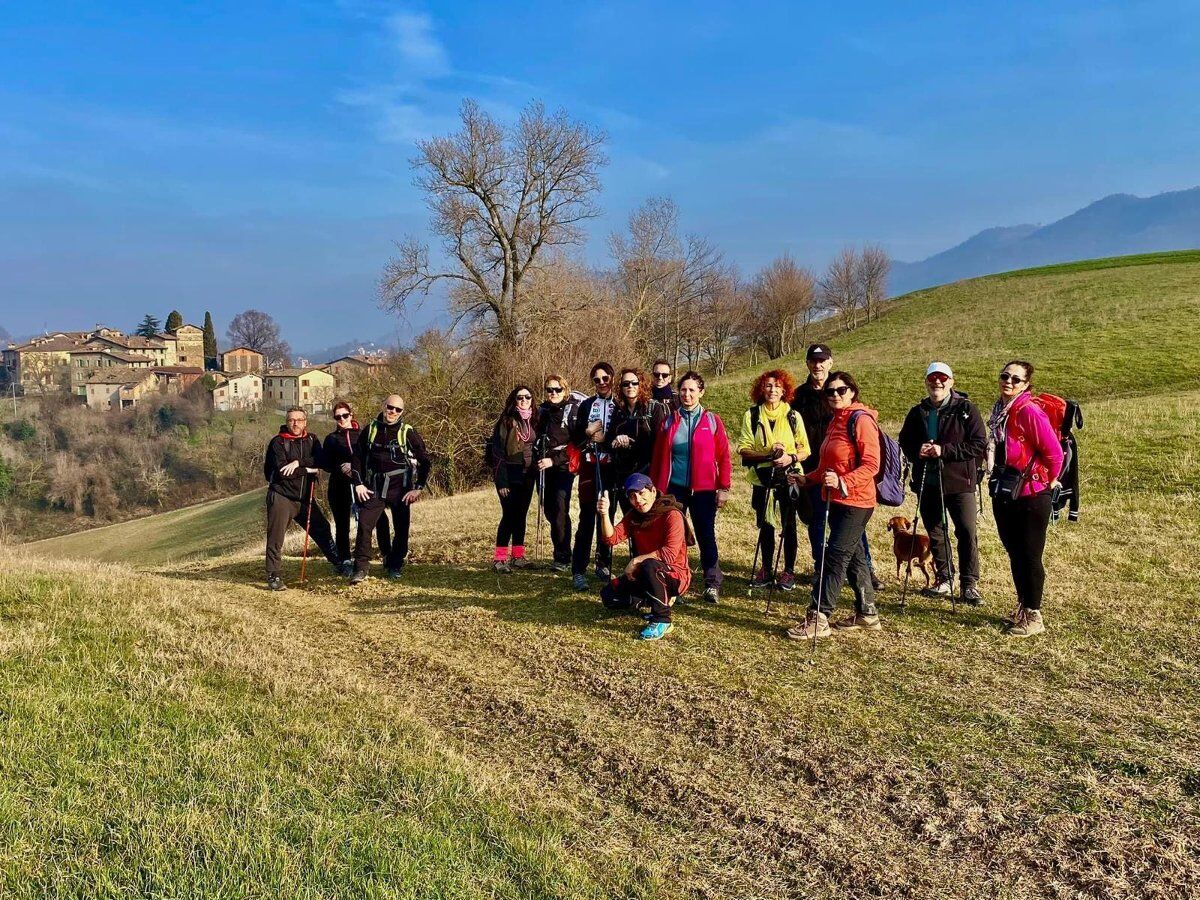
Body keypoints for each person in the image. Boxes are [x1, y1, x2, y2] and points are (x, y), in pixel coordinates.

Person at [786, 372, 882, 640]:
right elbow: (826, 466)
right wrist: (807, 479)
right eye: (830, 392)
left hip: (856, 501)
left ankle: (819, 616)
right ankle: (867, 613)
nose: (835, 395)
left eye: (841, 390)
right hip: (836, 499)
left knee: (835, 556)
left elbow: (872, 465)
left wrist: (842, 481)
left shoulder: (860, 421)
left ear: (852, 391)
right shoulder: (835, 422)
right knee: (853, 556)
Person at [791, 343, 882, 590]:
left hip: (847, 475)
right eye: (813, 361)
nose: (817, 365)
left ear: (830, 362)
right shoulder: (798, 397)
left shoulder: (843, 397)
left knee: (850, 528)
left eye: (822, 361)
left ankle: (864, 573)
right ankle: (822, 568)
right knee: (817, 522)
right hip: (814, 469)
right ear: (807, 363)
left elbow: (870, 456)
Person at [898, 363, 987, 604]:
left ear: (951, 382)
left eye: (942, 378)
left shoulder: (966, 409)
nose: (937, 382)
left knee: (967, 532)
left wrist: (943, 450)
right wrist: (919, 450)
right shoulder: (918, 412)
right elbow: (905, 441)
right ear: (926, 382)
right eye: (932, 378)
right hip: (928, 482)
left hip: (960, 483)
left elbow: (979, 443)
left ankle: (969, 584)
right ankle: (945, 579)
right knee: (936, 533)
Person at [986, 360, 1064, 637]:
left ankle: (1034, 614)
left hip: (1032, 494)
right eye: (1004, 375)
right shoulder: (1000, 411)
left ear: (1026, 385)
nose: (1008, 381)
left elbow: (1055, 453)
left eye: (1015, 379)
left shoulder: (1029, 411)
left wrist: (1049, 480)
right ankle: (1022, 605)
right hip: (1006, 490)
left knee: (1030, 555)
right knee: (1014, 552)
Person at [649, 371, 732, 603]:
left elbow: (724, 456)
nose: (687, 394)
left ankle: (712, 583)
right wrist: (657, 489)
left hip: (704, 490)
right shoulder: (669, 421)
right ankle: (674, 582)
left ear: (701, 392)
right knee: (675, 537)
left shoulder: (712, 421)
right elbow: (658, 458)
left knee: (706, 535)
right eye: (683, 390)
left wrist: (723, 487)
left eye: (692, 390)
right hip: (675, 489)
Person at [597, 474, 693, 641]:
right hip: (647, 575)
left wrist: (635, 561)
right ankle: (658, 600)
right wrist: (604, 514)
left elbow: (669, 554)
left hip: (674, 575)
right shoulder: (634, 516)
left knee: (650, 565)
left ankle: (662, 619)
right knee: (609, 596)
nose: (638, 500)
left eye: (642, 493)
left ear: (653, 491)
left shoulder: (672, 515)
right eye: (632, 496)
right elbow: (610, 539)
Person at [738, 369, 810, 591]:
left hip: (788, 476)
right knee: (766, 525)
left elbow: (805, 449)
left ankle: (788, 571)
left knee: (789, 524)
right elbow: (743, 448)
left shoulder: (793, 416)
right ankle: (766, 570)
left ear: (784, 390)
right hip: (762, 479)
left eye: (777, 386)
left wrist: (790, 457)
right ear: (762, 389)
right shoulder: (752, 415)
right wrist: (769, 455)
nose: (772, 390)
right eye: (768, 386)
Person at [349, 394, 431, 583]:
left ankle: (395, 564)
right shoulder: (370, 429)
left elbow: (425, 461)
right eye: (390, 407)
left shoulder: (408, 432)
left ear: (402, 412)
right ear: (383, 406)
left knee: (401, 528)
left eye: (397, 409)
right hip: (373, 487)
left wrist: (418, 488)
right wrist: (358, 483)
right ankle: (360, 568)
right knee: (364, 525)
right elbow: (357, 458)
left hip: (400, 488)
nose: (392, 412)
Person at [263, 406, 341, 591]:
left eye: (299, 420)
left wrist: (299, 463)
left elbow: (321, 460)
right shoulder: (278, 443)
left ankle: (338, 562)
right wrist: (308, 469)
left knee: (322, 527)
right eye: (291, 420)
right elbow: (283, 472)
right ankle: (273, 575)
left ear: (305, 422)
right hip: (282, 496)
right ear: (286, 422)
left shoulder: (312, 440)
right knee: (276, 537)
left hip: (305, 498)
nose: (295, 423)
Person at [322, 401, 391, 575]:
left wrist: (354, 466)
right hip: (339, 485)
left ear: (351, 415)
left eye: (345, 415)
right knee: (342, 523)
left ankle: (387, 554)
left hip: (363, 484)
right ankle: (345, 559)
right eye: (338, 417)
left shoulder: (363, 434)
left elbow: (371, 457)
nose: (342, 419)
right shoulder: (331, 439)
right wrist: (340, 466)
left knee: (379, 519)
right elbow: (326, 463)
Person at [570, 361, 617, 591]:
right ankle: (578, 569)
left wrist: (605, 439)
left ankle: (603, 562)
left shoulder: (619, 403)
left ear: (612, 378)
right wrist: (588, 432)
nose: (601, 383)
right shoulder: (587, 404)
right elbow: (577, 436)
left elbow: (621, 432)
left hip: (611, 467)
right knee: (587, 517)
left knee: (607, 515)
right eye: (596, 380)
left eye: (605, 378)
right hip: (590, 465)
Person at [489, 385, 539, 573]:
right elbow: (497, 453)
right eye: (520, 397)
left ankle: (518, 556)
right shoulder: (506, 421)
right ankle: (500, 559)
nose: (524, 400)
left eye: (528, 397)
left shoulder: (534, 419)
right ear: (514, 400)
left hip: (528, 475)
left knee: (521, 516)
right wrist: (501, 482)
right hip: (509, 474)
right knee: (509, 515)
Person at [606, 368, 666, 516]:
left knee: (648, 520)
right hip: (623, 475)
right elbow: (609, 440)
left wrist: (631, 443)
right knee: (630, 519)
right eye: (625, 384)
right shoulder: (618, 411)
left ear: (641, 385)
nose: (630, 386)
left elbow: (659, 444)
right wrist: (615, 440)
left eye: (634, 383)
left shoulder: (654, 408)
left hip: (646, 474)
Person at [536, 375, 579, 572]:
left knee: (560, 507)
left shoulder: (573, 410)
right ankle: (558, 551)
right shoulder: (541, 411)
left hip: (562, 466)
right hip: (542, 467)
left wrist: (554, 459)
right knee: (549, 510)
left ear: (565, 390)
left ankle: (563, 557)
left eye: (557, 389)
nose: (553, 393)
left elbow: (577, 443)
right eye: (549, 389)